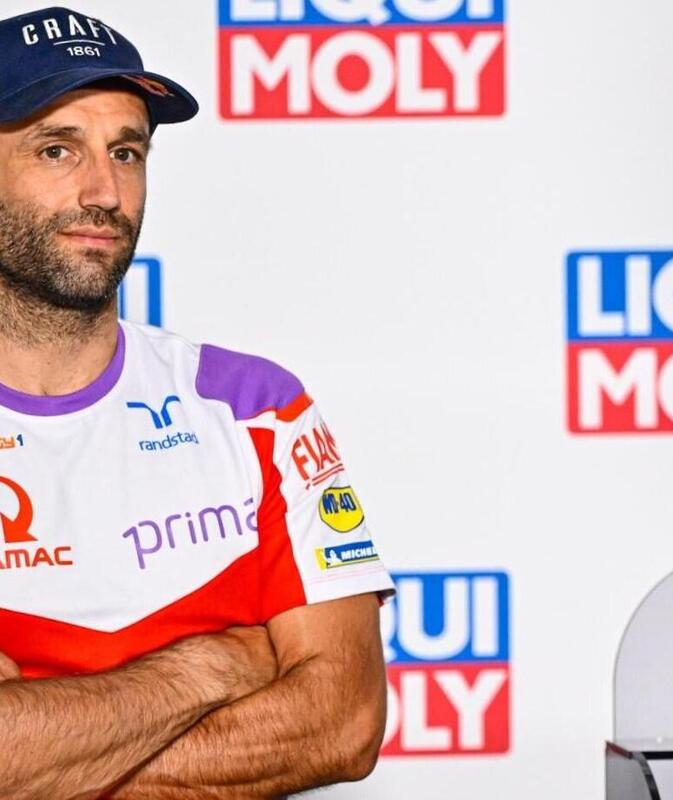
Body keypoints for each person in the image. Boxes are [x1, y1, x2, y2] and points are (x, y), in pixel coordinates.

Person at [0, 6, 395, 799]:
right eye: (57, 149)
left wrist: (54, 752)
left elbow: (345, 723)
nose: (104, 192)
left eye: (126, 152)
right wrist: (210, 667)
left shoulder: (257, 409)